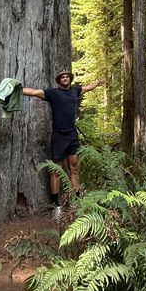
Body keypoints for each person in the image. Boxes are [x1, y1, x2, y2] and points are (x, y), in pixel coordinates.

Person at [23, 71, 104, 212]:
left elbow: (88, 87)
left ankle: (78, 202)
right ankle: (56, 206)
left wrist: (97, 83)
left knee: (74, 169)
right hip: (59, 136)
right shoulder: (53, 93)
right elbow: (35, 92)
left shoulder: (75, 91)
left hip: (73, 135)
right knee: (57, 170)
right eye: (62, 77)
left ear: (70, 79)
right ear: (59, 80)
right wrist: (17, 89)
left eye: (67, 77)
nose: (65, 78)